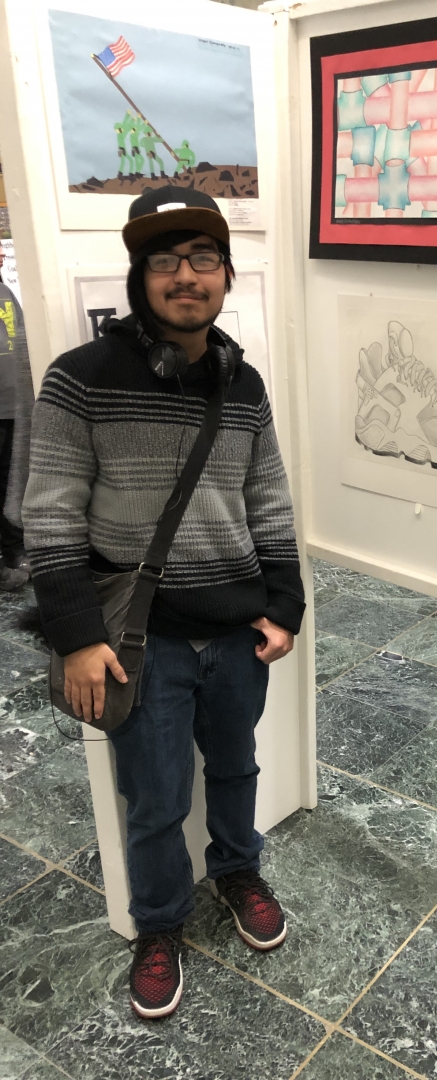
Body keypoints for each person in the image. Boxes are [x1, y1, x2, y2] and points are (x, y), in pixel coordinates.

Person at [22, 186, 305, 1020]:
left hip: (237, 634)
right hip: (140, 643)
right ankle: (158, 924)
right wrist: (75, 637)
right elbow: (50, 516)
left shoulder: (242, 383)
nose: (187, 276)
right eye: (166, 261)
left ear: (224, 272)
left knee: (238, 766)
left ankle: (237, 869)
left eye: (203, 259)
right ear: (141, 274)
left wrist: (283, 607)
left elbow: (273, 503)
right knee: (152, 796)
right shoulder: (80, 380)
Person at [0, 246, 30, 590]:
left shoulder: (7, 293)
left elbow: (24, 344)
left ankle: (14, 550)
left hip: (12, 406)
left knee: (10, 483)